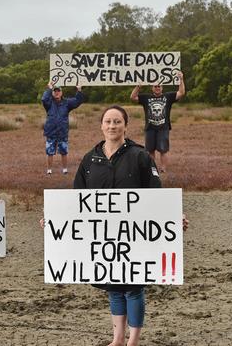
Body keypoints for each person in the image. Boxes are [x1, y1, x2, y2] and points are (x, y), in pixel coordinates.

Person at [72, 105, 189, 346]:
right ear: (101, 126)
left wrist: (173, 217)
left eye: (117, 122)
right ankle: (117, 340)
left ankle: (133, 341)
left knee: (133, 288)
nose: (112, 126)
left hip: (135, 236)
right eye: (108, 122)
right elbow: (76, 199)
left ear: (126, 125)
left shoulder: (140, 156)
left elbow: (156, 193)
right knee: (113, 287)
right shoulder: (89, 159)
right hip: (104, 236)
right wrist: (53, 220)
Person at [130, 71, 185, 173]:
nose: (157, 88)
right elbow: (133, 97)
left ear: (162, 88)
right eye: (155, 86)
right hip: (150, 128)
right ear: (152, 88)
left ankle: (163, 168)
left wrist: (181, 79)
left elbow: (181, 93)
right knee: (150, 150)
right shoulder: (146, 98)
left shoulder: (167, 97)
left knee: (163, 150)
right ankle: (152, 168)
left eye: (159, 86)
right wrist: (138, 87)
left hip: (163, 128)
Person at [41, 81, 84, 175]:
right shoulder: (48, 103)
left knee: (64, 151)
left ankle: (64, 169)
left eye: (58, 91)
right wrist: (49, 88)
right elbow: (44, 99)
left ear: (61, 92)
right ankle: (49, 170)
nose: (56, 92)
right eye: (54, 91)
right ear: (52, 92)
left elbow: (77, 101)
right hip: (51, 132)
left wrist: (79, 90)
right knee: (50, 152)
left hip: (62, 132)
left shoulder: (67, 103)